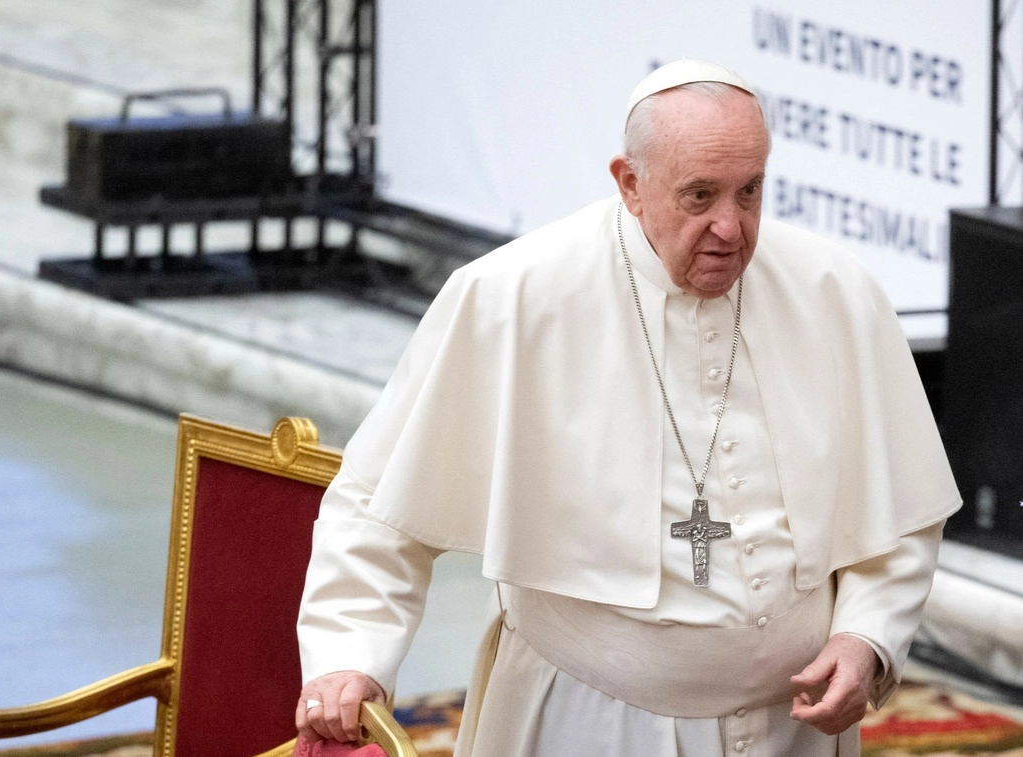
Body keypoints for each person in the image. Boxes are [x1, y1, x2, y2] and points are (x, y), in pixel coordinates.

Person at [294, 59, 961, 756]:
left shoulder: (833, 291)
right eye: (699, 195)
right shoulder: (511, 297)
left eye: (750, 191)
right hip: (590, 722)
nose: (730, 228)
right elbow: (375, 502)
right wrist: (350, 655)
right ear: (630, 184)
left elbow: (899, 511)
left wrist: (865, 636)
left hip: (792, 728)